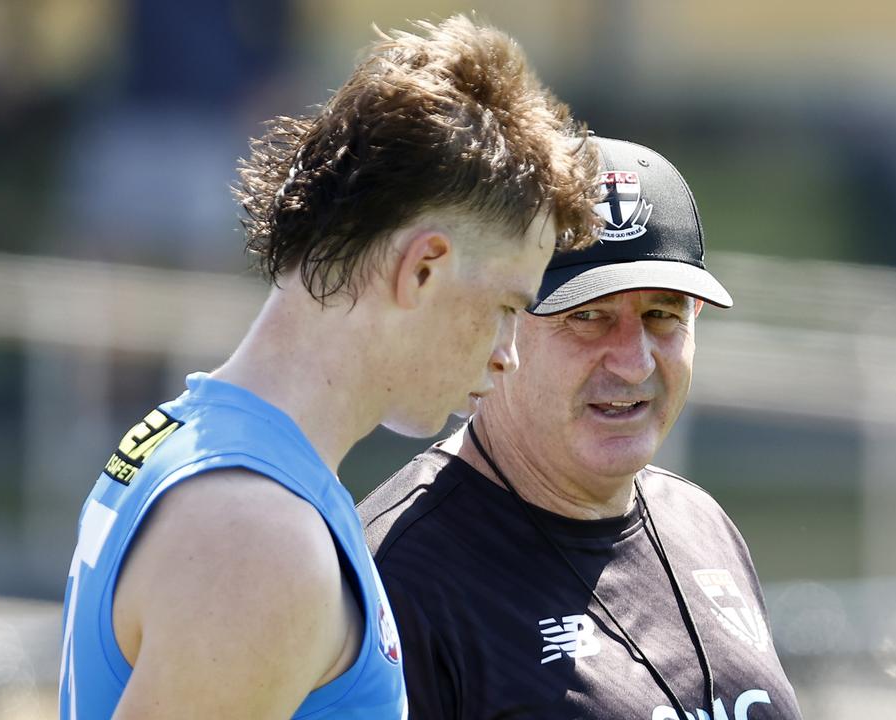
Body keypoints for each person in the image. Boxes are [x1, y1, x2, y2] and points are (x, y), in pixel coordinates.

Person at [58, 16, 602, 720]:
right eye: (505, 307)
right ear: (424, 268)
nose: (510, 352)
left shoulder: (204, 446)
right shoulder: (259, 537)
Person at [360, 137, 804, 720]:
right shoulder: (397, 577)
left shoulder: (701, 522)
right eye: (587, 317)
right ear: (499, 322)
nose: (635, 361)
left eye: (661, 314)